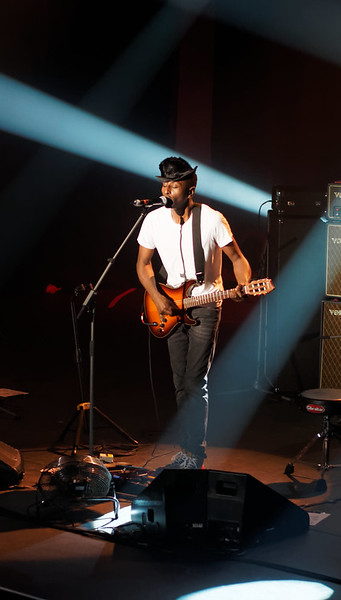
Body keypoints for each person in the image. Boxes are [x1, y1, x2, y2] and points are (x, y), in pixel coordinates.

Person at [136, 156, 251, 469]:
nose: (167, 189)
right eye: (164, 183)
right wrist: (158, 298)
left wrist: (243, 285)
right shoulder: (153, 220)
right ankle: (187, 450)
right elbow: (143, 265)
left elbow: (238, 259)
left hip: (205, 304)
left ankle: (194, 454)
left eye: (174, 184)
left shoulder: (212, 219)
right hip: (169, 307)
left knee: (194, 381)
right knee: (179, 383)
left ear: (190, 187)